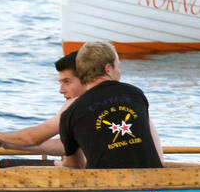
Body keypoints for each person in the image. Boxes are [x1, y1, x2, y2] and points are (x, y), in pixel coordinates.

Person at [59, 42, 163, 171]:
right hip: (153, 183)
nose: (119, 71)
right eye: (118, 66)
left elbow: (75, 165)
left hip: (104, 187)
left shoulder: (70, 114)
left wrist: (62, 165)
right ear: (108, 69)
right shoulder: (135, 94)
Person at [0, 52, 85, 157]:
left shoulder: (76, 104)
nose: (61, 90)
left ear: (87, 78)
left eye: (67, 82)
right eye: (61, 83)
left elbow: (32, 138)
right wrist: (9, 143)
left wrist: (0, 136)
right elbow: (65, 146)